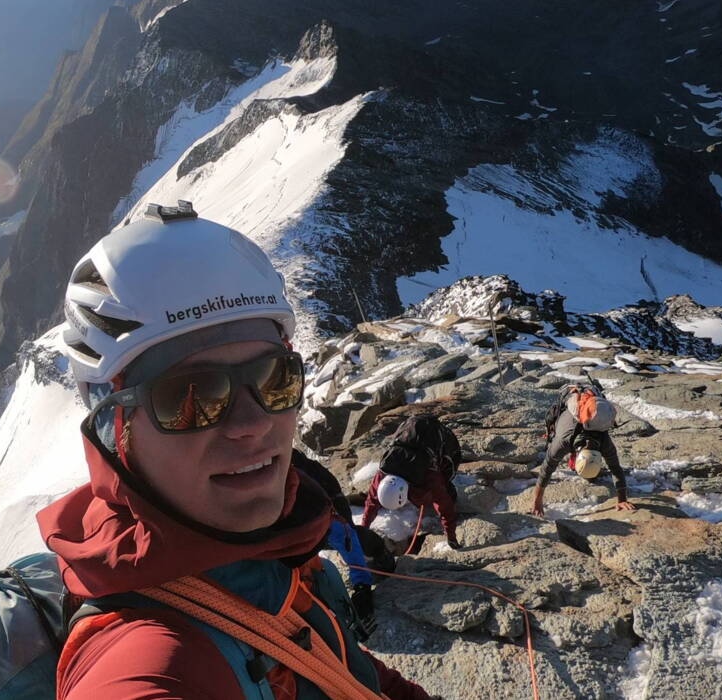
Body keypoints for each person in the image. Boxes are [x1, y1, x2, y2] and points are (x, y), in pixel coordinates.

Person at [38, 205, 434, 699]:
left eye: (275, 378)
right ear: (114, 426)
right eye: (191, 397)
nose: (252, 425)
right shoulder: (145, 658)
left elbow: (346, 673)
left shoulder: (276, 554)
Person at [292, 450, 379, 641]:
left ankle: (381, 566)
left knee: (354, 539)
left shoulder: (322, 513)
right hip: (306, 520)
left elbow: (347, 538)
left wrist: (362, 586)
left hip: (326, 507)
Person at [360, 415, 462, 553]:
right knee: (422, 497)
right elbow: (372, 501)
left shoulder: (430, 477)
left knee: (445, 484)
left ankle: (451, 492)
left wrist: (451, 536)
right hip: (410, 430)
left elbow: (444, 506)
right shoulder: (384, 472)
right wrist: (364, 528)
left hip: (440, 437)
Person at [530, 384, 634, 515]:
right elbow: (547, 467)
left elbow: (615, 467)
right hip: (570, 408)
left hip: (592, 412)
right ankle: (578, 465)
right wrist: (537, 500)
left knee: (591, 476)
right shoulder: (562, 441)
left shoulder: (604, 441)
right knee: (576, 466)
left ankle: (584, 469)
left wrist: (622, 500)